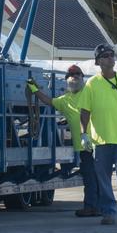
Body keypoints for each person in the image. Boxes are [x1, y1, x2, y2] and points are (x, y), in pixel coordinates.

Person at [79, 43, 117, 226]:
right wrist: (84, 134)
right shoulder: (92, 84)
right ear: (98, 61)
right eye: (105, 56)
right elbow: (85, 111)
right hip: (101, 140)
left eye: (111, 55)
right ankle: (108, 213)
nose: (110, 58)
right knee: (103, 177)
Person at [27, 65, 100, 217]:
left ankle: (95, 207)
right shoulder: (64, 100)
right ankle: (94, 207)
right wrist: (33, 88)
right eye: (71, 75)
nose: (75, 77)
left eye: (78, 74)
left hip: (98, 142)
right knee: (90, 177)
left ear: (83, 78)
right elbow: (47, 100)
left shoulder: (90, 92)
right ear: (67, 80)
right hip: (83, 146)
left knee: (96, 177)